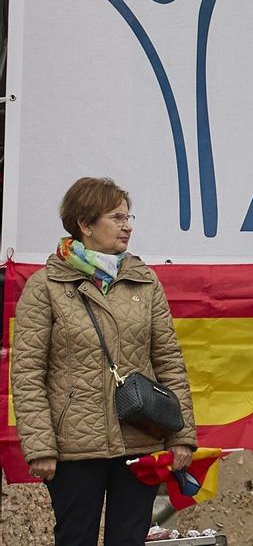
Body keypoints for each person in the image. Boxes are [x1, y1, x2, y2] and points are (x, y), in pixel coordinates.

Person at [13, 177, 197, 546]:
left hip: (140, 440)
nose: (128, 225)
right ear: (85, 224)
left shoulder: (144, 281)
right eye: (117, 217)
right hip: (73, 447)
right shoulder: (46, 285)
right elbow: (28, 373)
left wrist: (181, 436)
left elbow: (169, 362)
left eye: (129, 217)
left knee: (129, 539)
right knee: (74, 538)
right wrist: (41, 446)